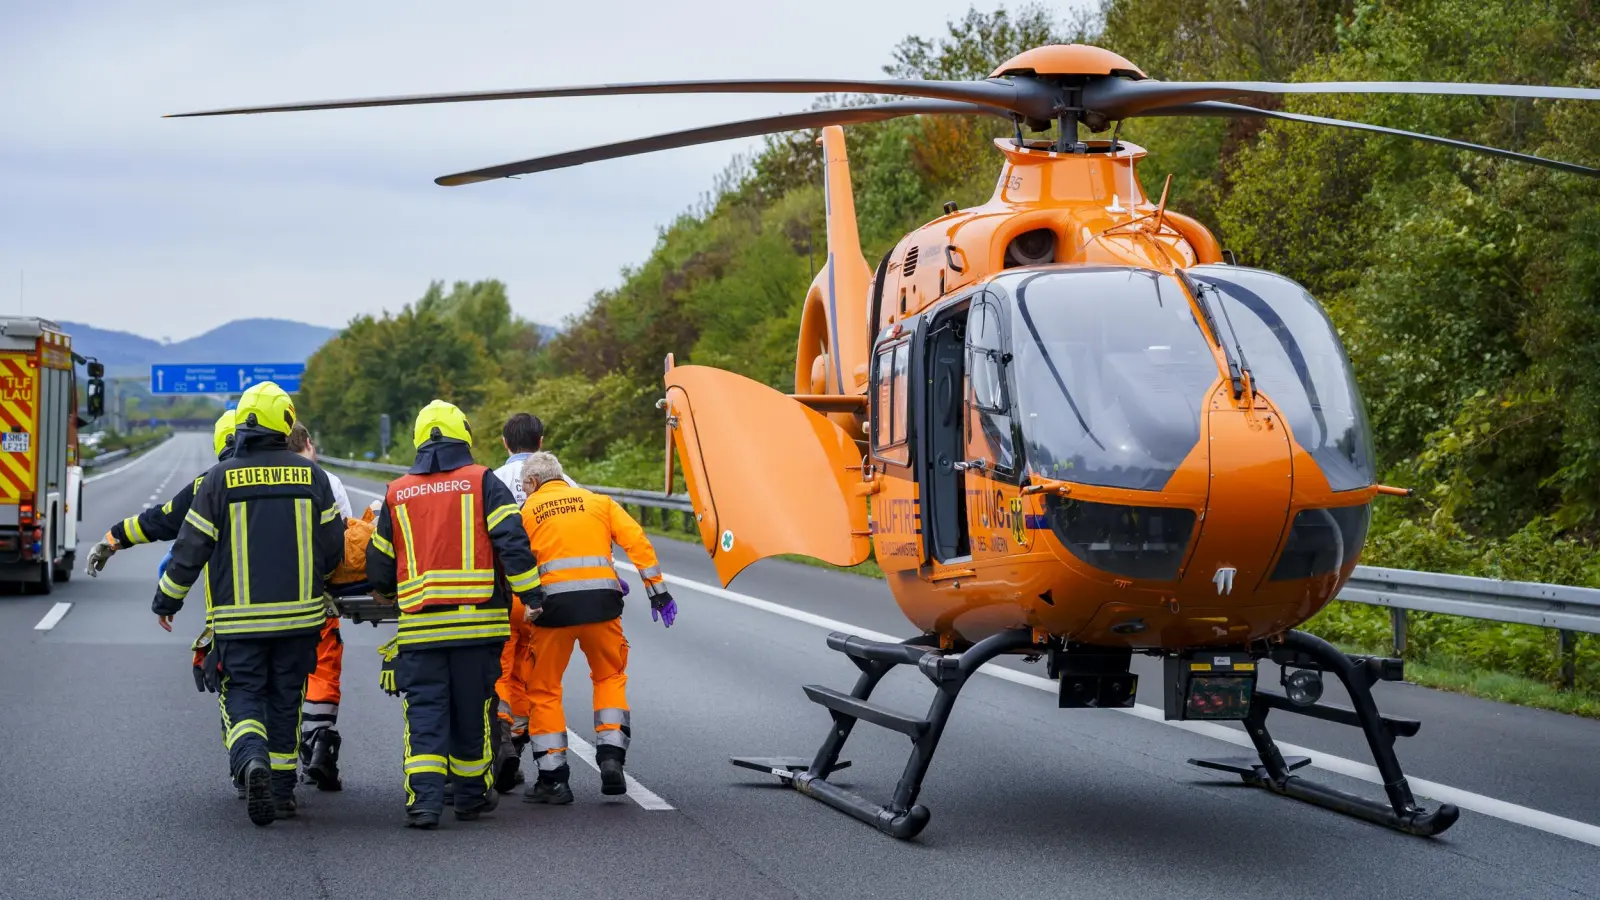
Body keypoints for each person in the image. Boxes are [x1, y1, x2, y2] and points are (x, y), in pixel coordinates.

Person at [154, 382, 346, 826]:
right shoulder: (312, 476)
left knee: (242, 698)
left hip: (239, 624)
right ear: (284, 421)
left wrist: (168, 598)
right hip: (300, 621)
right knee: (285, 701)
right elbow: (335, 546)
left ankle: (252, 760)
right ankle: (281, 793)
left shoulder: (219, 479)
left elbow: (191, 546)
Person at [366, 400, 542, 829]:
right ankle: (469, 798)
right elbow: (511, 541)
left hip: (421, 630)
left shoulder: (396, 492)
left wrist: (389, 591)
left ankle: (424, 803)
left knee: (424, 715)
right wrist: (531, 594)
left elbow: (380, 565)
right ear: (463, 436)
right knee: (472, 713)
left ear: (418, 440)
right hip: (478, 628)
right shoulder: (483, 481)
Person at [516, 451, 676, 804]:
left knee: (544, 689)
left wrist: (519, 609)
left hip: (553, 611)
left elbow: (515, 561)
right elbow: (637, 542)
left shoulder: (526, 511)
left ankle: (554, 779)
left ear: (532, 483)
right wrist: (658, 593)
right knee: (609, 677)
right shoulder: (598, 503)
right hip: (603, 605)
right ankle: (611, 757)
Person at [486, 412, 583, 790]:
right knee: (536, 678)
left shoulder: (490, 481)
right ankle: (526, 747)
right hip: (546, 598)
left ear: (504, 442)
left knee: (501, 670)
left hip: (504, 595)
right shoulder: (565, 483)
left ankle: (502, 737)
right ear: (541, 441)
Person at [84, 410, 237, 577]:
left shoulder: (210, 483)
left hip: (229, 598)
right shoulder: (269, 473)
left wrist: (113, 538)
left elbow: (164, 519)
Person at [286, 421, 350, 791]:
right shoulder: (328, 482)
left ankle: (277, 756)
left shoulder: (256, 476)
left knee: (277, 677)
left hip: (266, 599)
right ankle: (318, 744)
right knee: (322, 670)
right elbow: (345, 539)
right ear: (309, 443)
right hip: (318, 598)